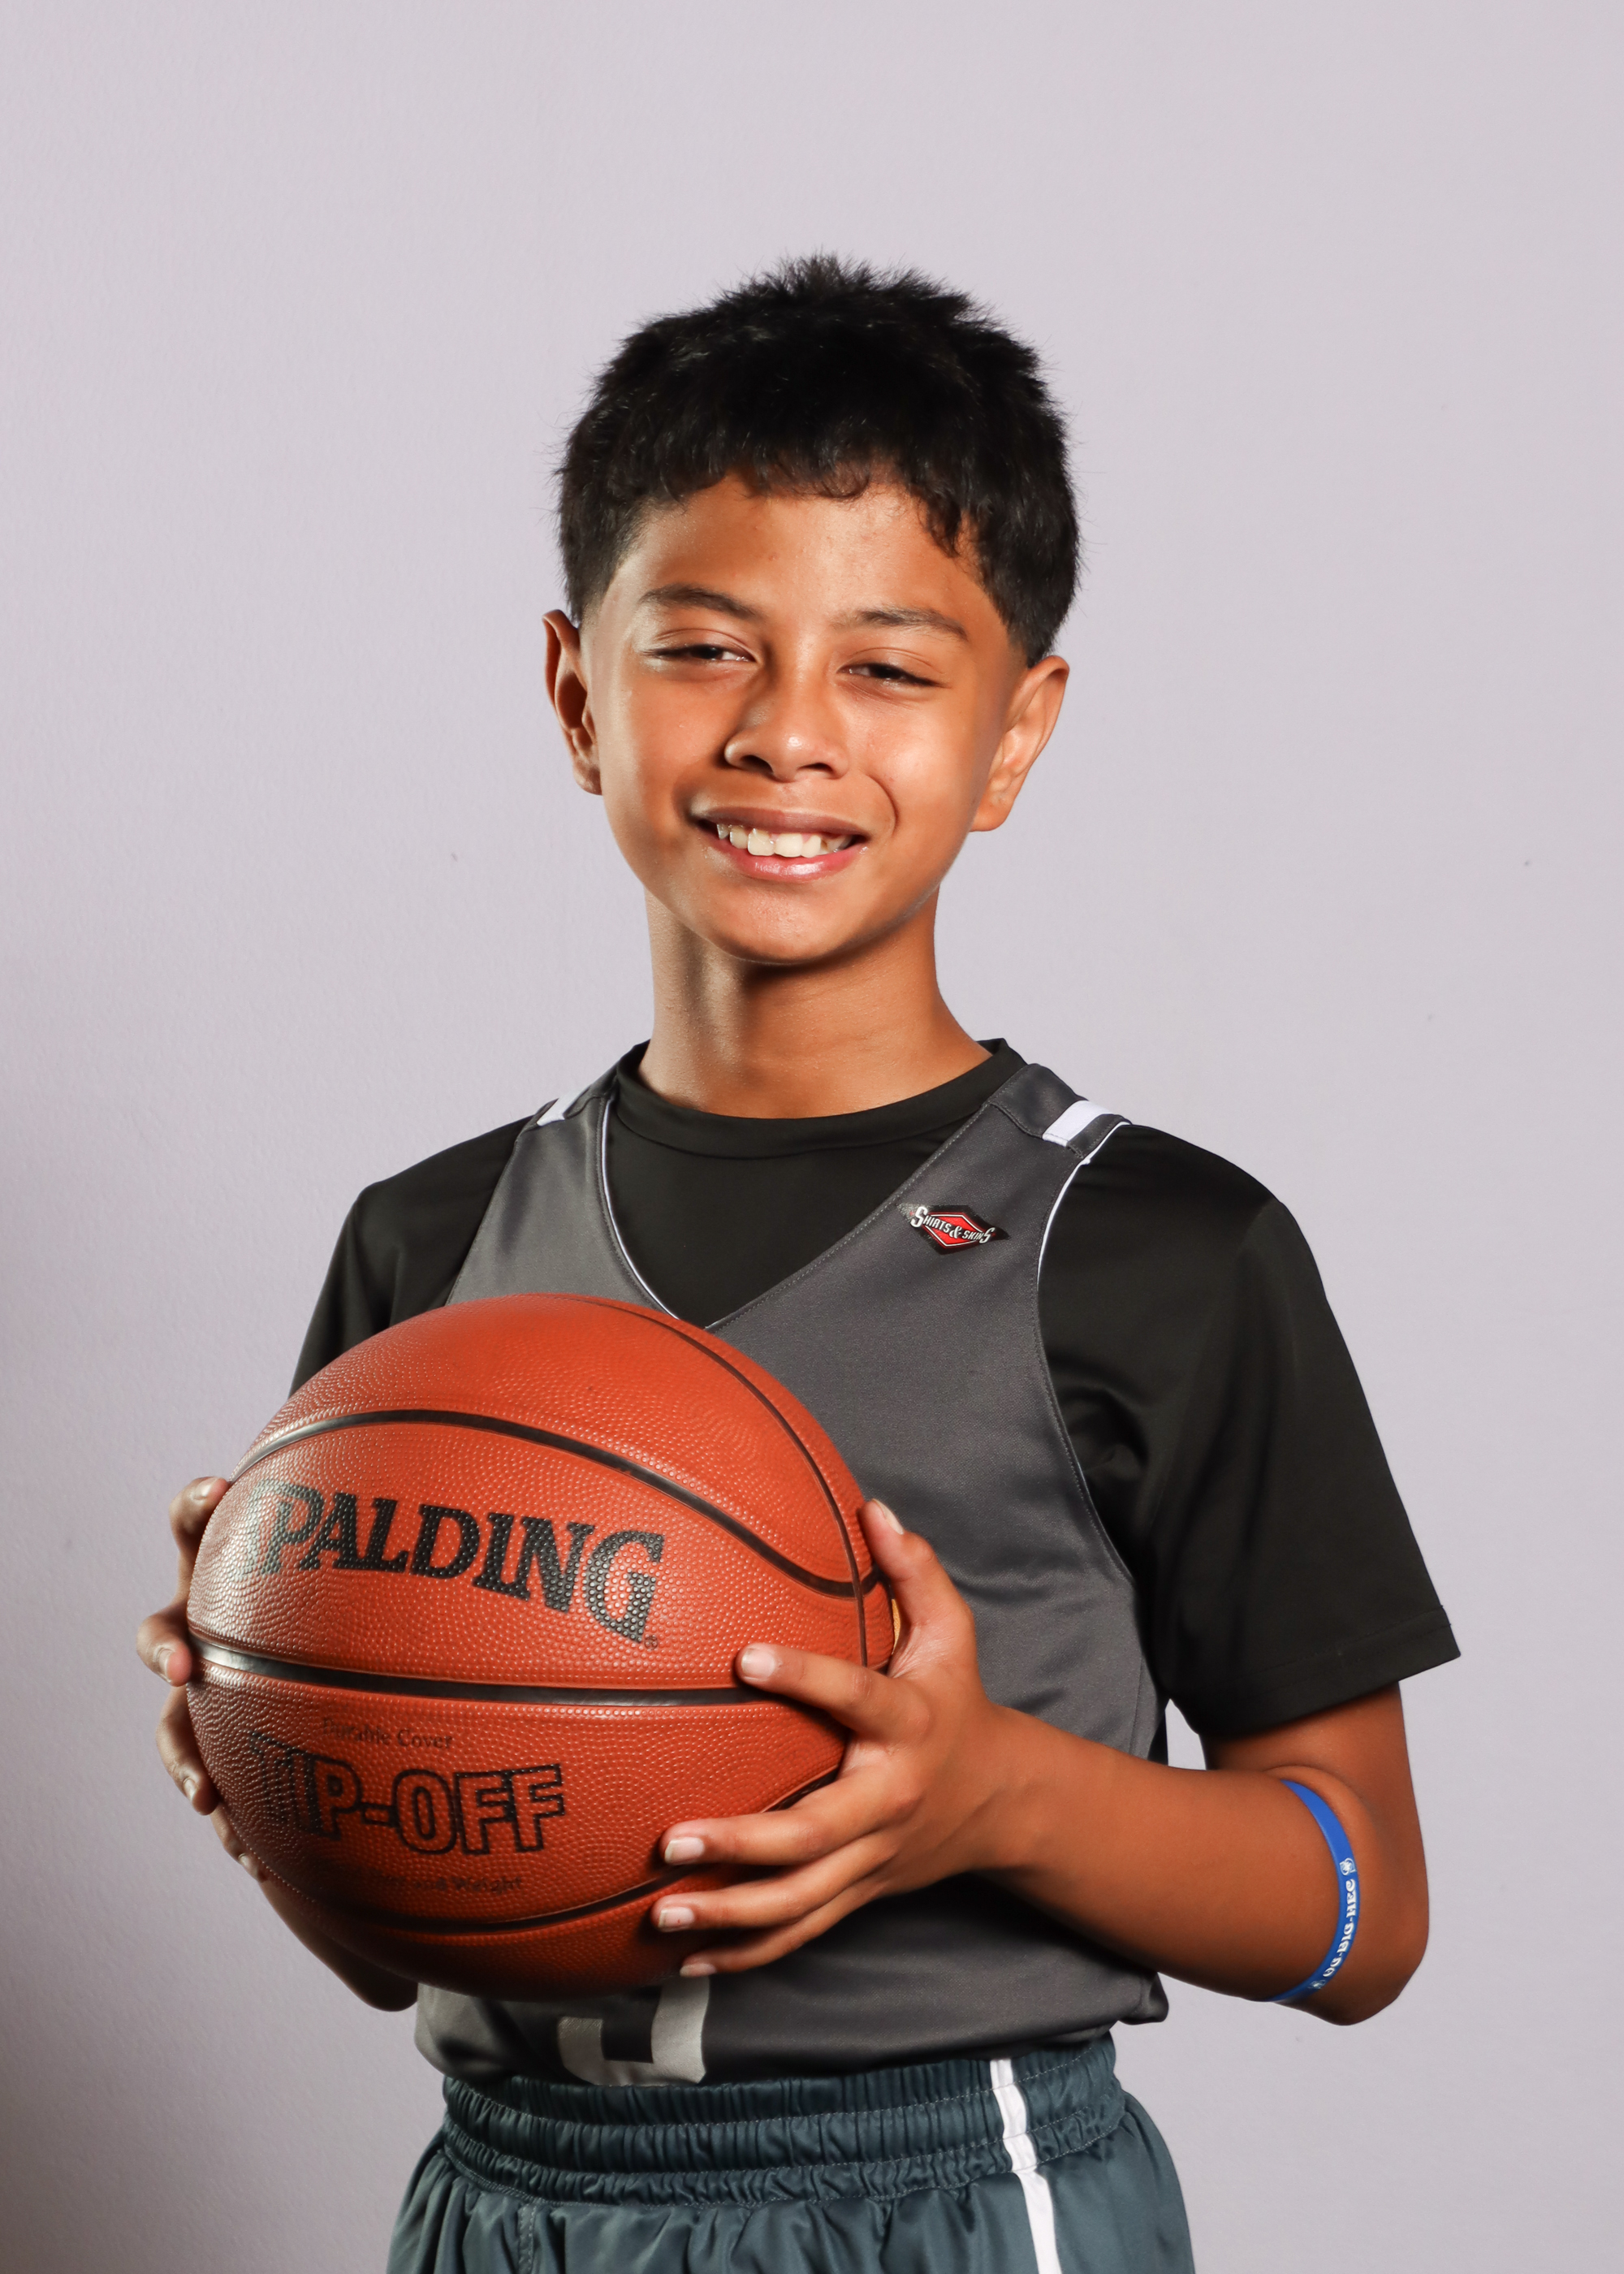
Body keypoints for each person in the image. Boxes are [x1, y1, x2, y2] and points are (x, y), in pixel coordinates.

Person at [137, 256, 1458, 2273]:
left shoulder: (1157, 1249)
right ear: (577, 695)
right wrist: (288, 1746)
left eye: (889, 670)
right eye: (704, 649)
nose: (785, 734)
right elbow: (400, 1946)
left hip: (951, 2190)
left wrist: (993, 1794)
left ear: (1014, 734)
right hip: (503, 2195)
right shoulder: (431, 1245)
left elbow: (1361, 1914)